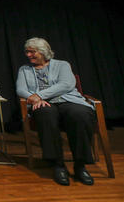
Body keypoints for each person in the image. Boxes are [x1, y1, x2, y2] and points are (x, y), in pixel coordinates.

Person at [16, 37, 96, 186]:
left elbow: (67, 84)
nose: (28, 55)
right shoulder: (24, 69)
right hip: (43, 104)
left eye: (32, 52)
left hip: (68, 100)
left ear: (43, 51)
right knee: (45, 114)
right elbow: (20, 89)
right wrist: (33, 99)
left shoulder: (62, 65)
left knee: (80, 114)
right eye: (26, 52)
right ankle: (58, 165)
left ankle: (80, 165)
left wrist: (40, 95)